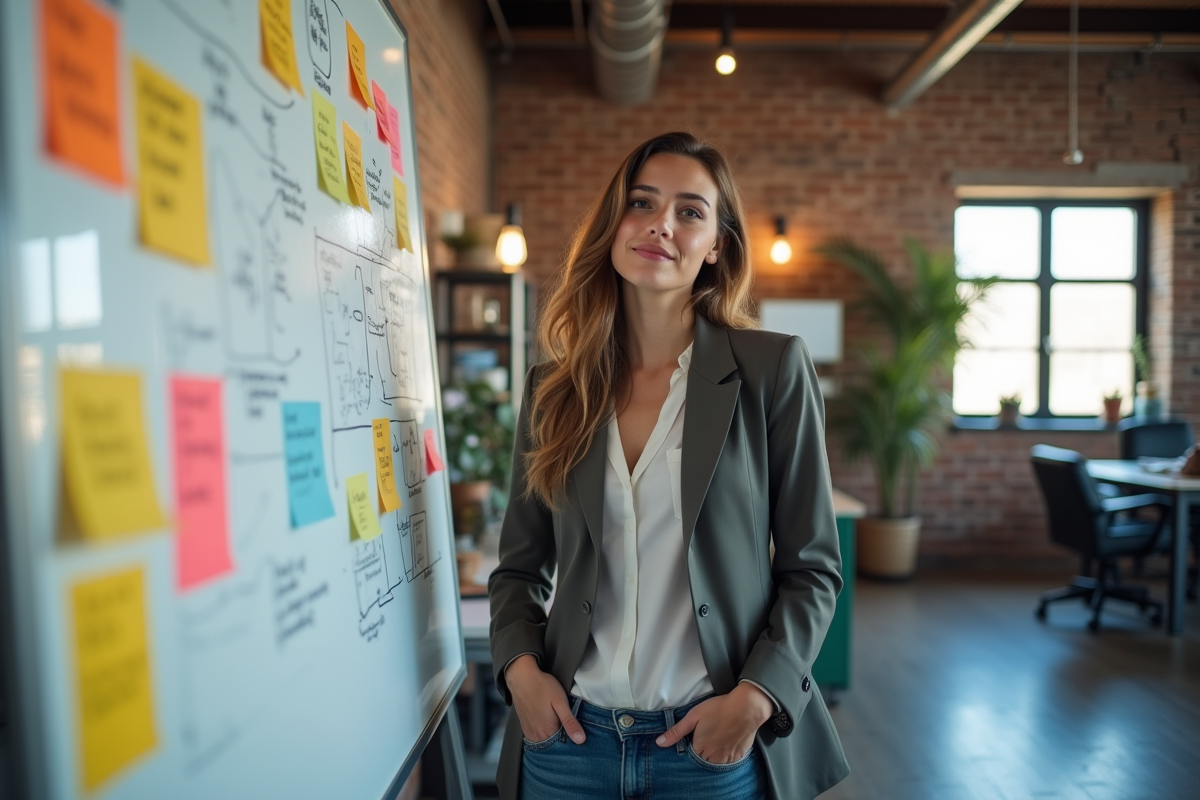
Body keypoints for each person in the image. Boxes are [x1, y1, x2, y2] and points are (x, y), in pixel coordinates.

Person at [488, 131, 848, 800]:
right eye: (642, 203)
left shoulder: (770, 370)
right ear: (614, 226)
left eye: (690, 211)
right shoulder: (555, 388)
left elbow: (813, 568)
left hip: (705, 746)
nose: (661, 225)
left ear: (716, 245)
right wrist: (520, 674)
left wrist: (756, 698)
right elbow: (518, 567)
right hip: (566, 741)